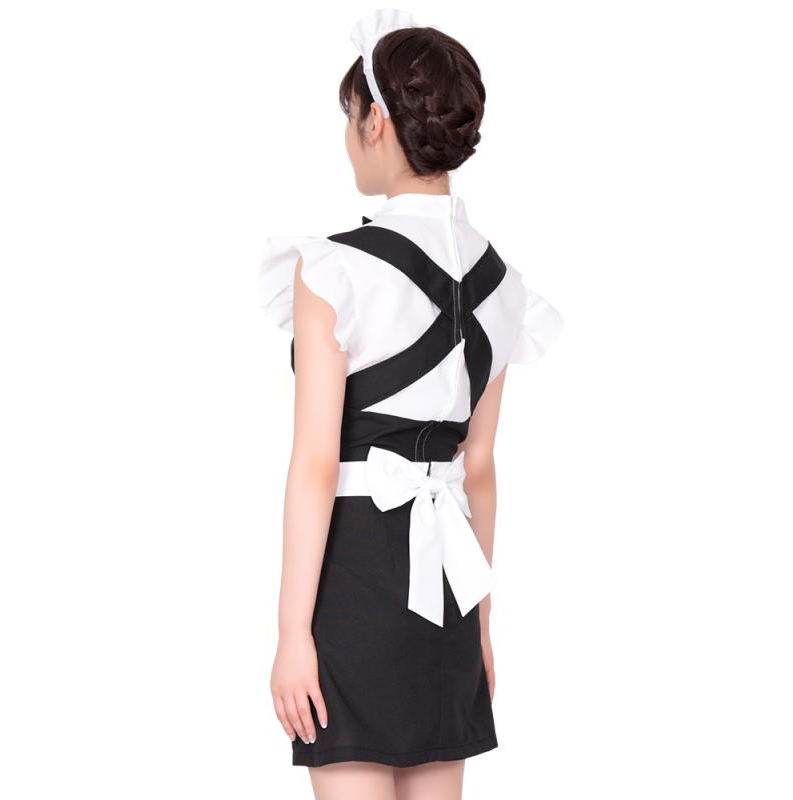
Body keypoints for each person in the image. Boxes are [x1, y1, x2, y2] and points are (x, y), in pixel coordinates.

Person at [258, 9, 563, 799]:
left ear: (376, 122)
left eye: (349, 116)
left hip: (355, 575)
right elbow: (479, 467)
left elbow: (316, 463)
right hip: (452, 587)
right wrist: (482, 623)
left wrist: (292, 633)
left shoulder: (335, 269)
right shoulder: (504, 286)